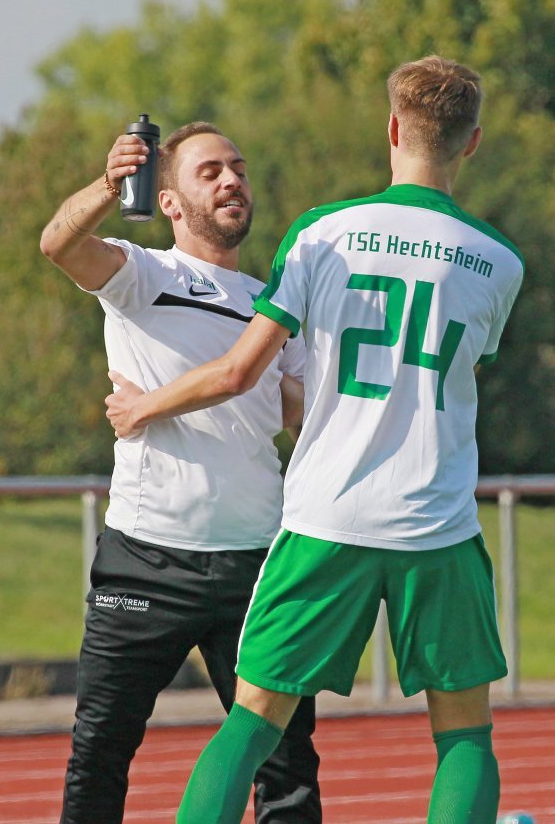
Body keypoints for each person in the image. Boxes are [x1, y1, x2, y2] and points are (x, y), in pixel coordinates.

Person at [105, 56, 525, 824]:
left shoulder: (321, 233)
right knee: (465, 735)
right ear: (472, 144)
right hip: (436, 521)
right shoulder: (501, 263)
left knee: (253, 721)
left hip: (326, 516)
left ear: (392, 129)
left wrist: (144, 409)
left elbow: (240, 369)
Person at [39, 122, 321, 824]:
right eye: (210, 172)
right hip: (146, 558)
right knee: (100, 752)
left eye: (240, 169)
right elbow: (58, 245)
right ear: (167, 201)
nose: (232, 181)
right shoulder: (143, 273)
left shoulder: (273, 302)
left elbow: (300, 414)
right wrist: (109, 184)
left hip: (256, 564)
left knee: (287, 766)